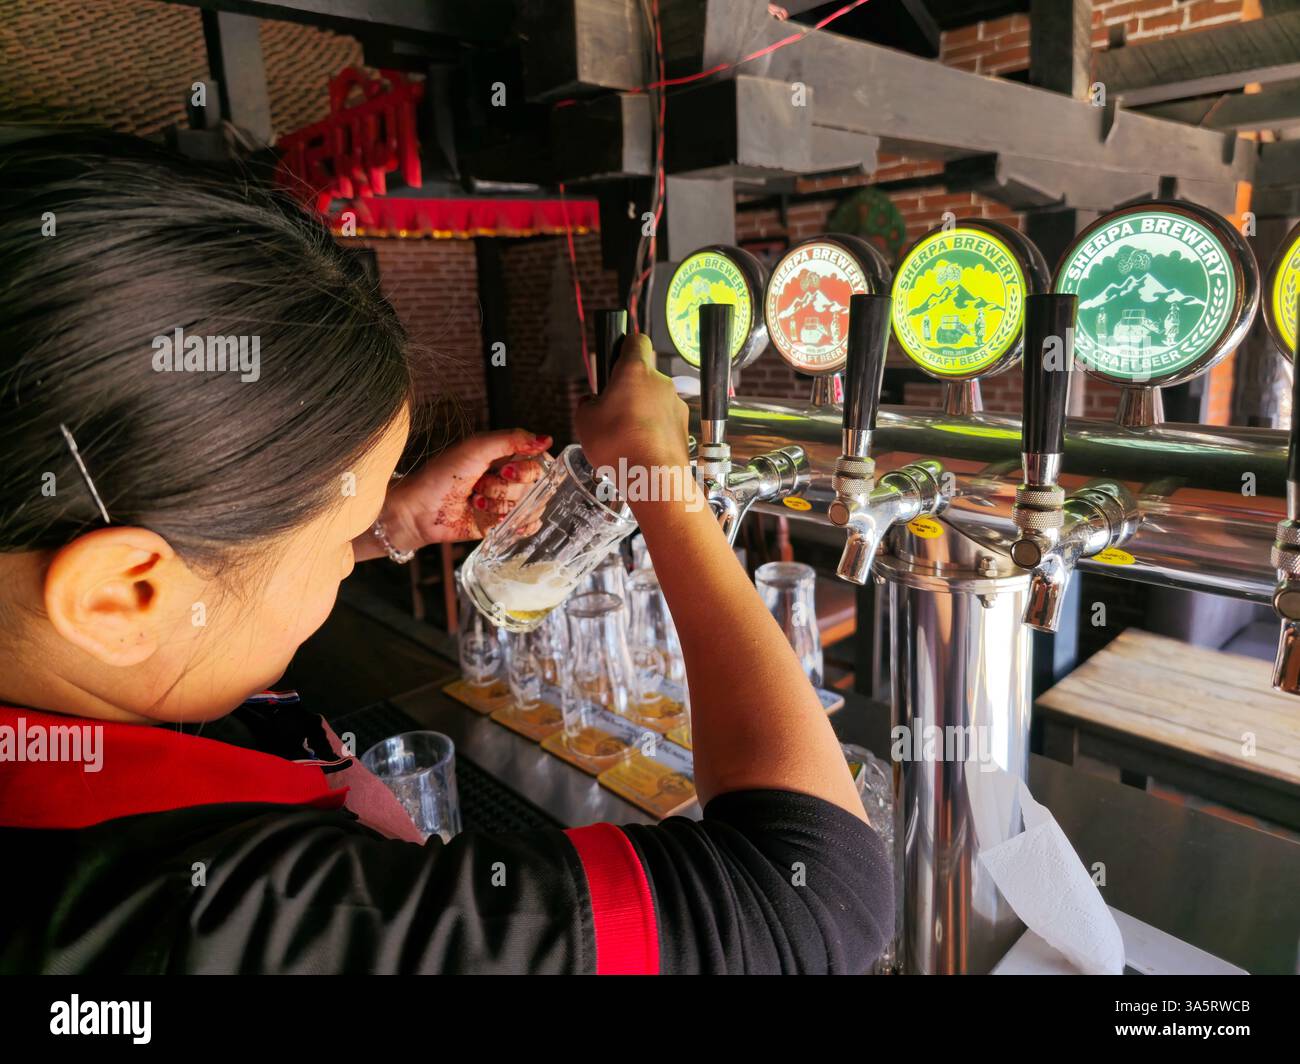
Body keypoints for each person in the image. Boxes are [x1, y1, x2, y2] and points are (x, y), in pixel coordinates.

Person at [0, 132, 892, 974]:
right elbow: (812, 904)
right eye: (334, 528)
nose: (355, 552)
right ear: (120, 597)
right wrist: (660, 477)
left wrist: (389, 523)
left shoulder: (70, 710)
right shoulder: (213, 921)